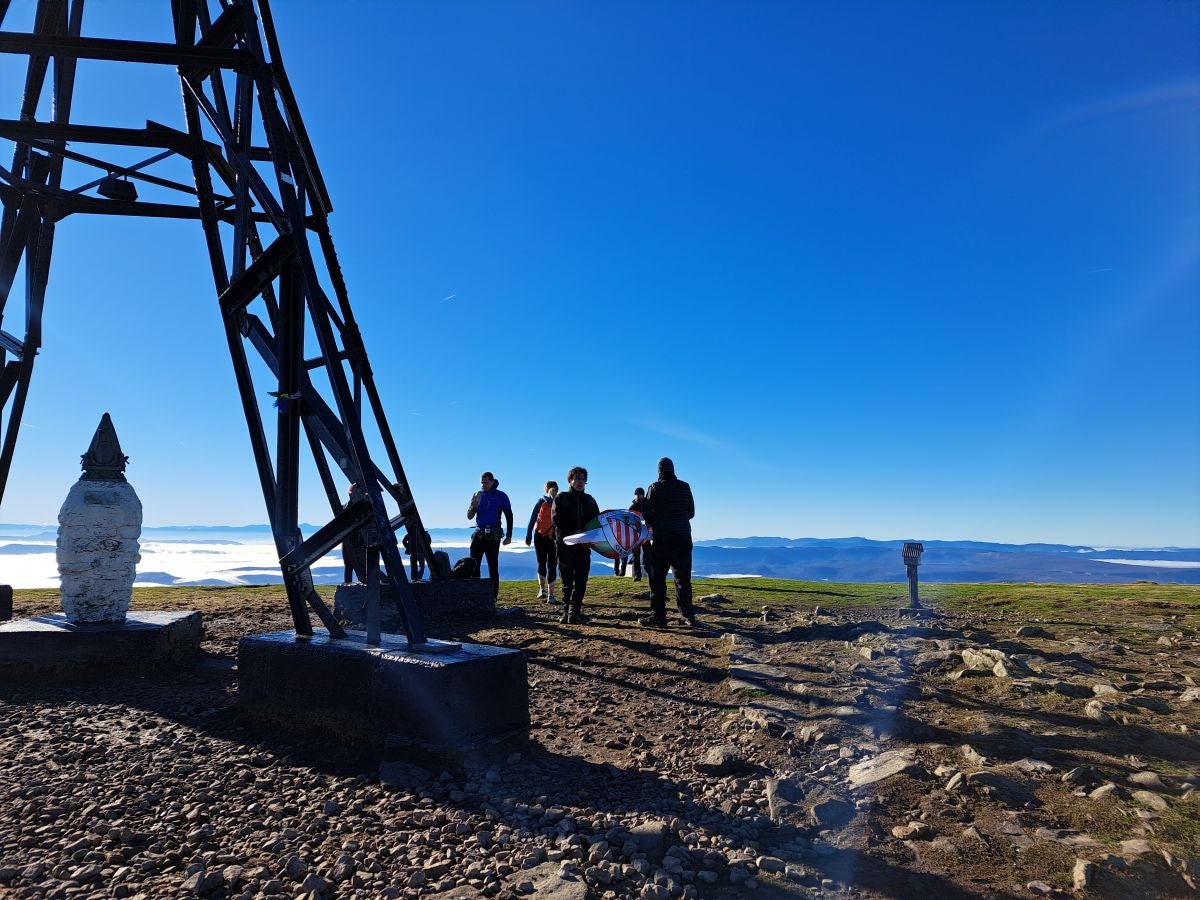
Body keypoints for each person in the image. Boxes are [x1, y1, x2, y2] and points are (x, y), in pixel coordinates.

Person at [640, 457, 697, 627]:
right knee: (682, 578)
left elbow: (647, 513)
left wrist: (654, 523)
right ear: (673, 470)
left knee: (657, 577)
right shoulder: (685, 486)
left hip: (663, 538)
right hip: (683, 536)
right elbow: (691, 512)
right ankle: (687, 616)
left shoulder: (655, 487)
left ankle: (658, 616)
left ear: (659, 471)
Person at [553, 465, 600, 625]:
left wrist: (589, 536)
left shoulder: (590, 500)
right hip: (565, 545)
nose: (579, 482)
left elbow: (597, 522)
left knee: (581, 579)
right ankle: (566, 611)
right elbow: (556, 519)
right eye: (576, 478)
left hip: (583, 546)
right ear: (570, 480)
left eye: (582, 479)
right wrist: (574, 531)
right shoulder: (561, 498)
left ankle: (575, 612)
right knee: (566, 580)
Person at [467, 472, 513, 600]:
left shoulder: (500, 496)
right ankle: (476, 596)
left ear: (492, 482)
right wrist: (473, 506)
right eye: (482, 482)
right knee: (474, 565)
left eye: (486, 482)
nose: (483, 485)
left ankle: (493, 597)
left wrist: (509, 535)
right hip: (478, 534)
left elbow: (509, 515)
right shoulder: (478, 495)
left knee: (493, 566)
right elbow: (469, 516)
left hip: (493, 535)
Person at [525, 480, 560, 604]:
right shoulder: (560, 503)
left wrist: (528, 535)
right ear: (557, 489)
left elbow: (533, 518)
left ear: (546, 489)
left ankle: (542, 590)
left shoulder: (541, 502)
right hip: (554, 538)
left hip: (539, 536)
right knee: (552, 565)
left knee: (541, 562)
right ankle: (551, 596)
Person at [615, 487, 647, 579]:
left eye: (639, 494)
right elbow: (627, 519)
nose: (638, 496)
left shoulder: (647, 505)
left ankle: (650, 572)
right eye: (636, 494)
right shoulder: (632, 507)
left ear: (643, 495)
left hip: (646, 533)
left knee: (647, 553)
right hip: (635, 533)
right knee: (635, 554)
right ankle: (637, 575)